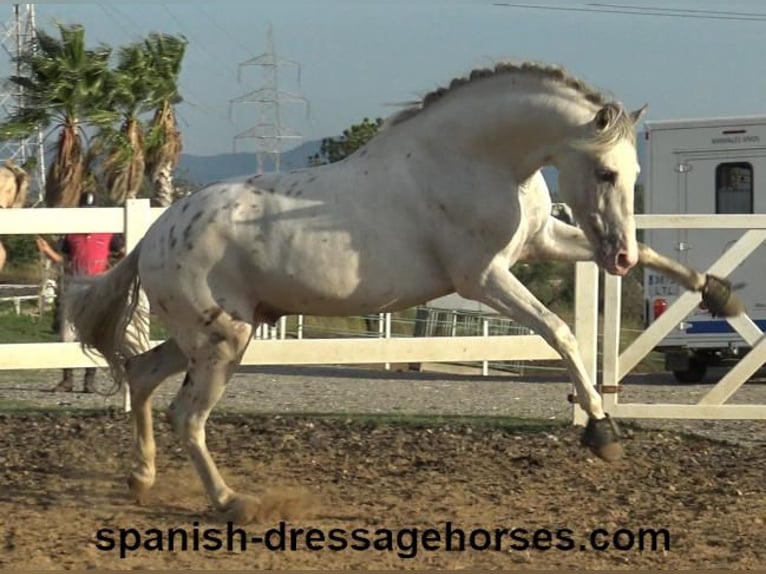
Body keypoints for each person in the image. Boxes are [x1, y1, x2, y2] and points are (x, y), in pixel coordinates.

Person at [36, 191, 126, 393]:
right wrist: (46, 250)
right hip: (74, 284)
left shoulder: (109, 232)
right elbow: (62, 259)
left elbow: (123, 254)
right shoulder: (71, 234)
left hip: (97, 284)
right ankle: (67, 379)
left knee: (92, 332)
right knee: (67, 333)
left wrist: (111, 272)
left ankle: (89, 381)